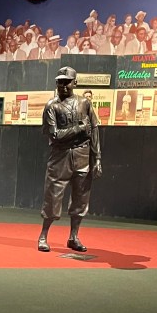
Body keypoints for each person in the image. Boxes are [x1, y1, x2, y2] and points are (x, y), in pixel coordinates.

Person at [37, 66, 101, 254]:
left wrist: (97, 158)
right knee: (52, 198)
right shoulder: (52, 106)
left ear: (75, 83)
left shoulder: (84, 103)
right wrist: (79, 129)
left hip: (82, 157)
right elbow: (55, 135)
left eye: (67, 82)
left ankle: (74, 236)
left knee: (81, 200)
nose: (63, 85)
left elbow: (95, 130)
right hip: (60, 158)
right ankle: (43, 235)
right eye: (60, 82)